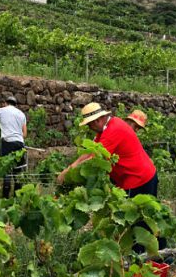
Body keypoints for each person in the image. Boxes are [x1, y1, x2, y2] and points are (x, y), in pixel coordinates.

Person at [57, 102, 166, 253]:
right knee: (142, 218)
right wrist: (68, 169)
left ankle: (150, 256)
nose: (88, 128)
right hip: (134, 177)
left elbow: (95, 159)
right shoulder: (104, 130)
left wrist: (69, 174)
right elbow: (88, 153)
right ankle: (155, 254)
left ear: (97, 120)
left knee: (138, 221)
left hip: (139, 179)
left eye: (89, 124)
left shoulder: (113, 130)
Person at [0, 95, 28, 198]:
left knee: (6, 170)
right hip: (20, 144)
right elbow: (24, 134)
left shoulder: (1, 110)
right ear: (15, 105)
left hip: (7, 143)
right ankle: (17, 199)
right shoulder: (21, 114)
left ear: (5, 103)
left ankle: (5, 198)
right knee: (18, 171)